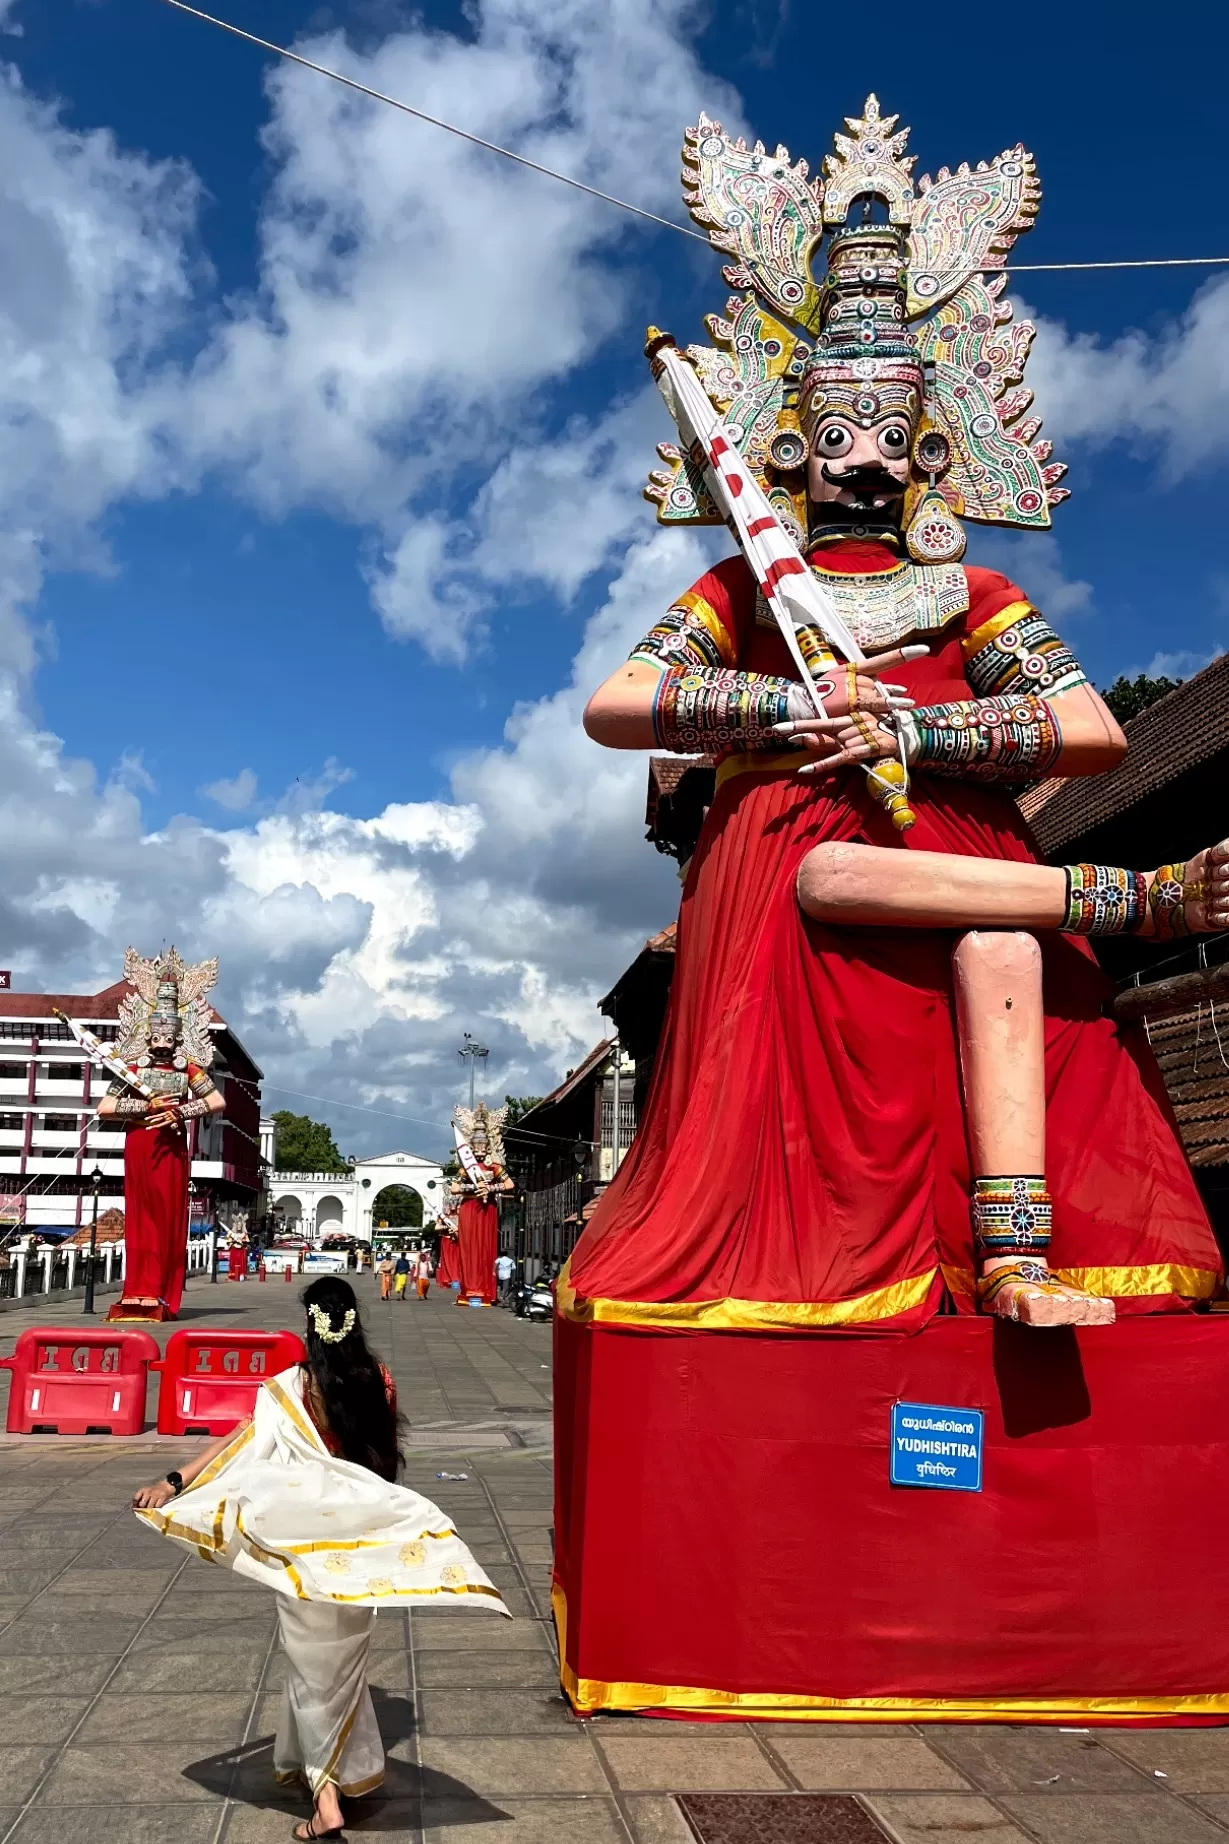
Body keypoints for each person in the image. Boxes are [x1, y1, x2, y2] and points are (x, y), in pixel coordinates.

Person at [571, 96, 1225, 1336]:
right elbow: (620, 705)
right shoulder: (739, 586)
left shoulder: (971, 589)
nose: (862, 459)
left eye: (886, 434)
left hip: (962, 846)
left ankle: (1018, 1259)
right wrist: (784, 702)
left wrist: (919, 731)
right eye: (832, 434)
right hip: (795, 843)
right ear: (790, 452)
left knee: (1002, 954)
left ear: (928, 445)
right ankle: (1130, 895)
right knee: (828, 873)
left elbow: (1089, 729)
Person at [133, 1277, 508, 1839]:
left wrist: (174, 1481)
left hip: (302, 1542)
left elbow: (242, 1442)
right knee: (341, 1666)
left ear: (311, 1324)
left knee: (311, 1668)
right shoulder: (379, 1380)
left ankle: (327, 1799)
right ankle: (323, 1769)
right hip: (360, 1539)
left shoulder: (290, 1385)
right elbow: (383, 1460)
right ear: (354, 1320)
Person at [93, 946, 227, 1321]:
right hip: (140, 1143)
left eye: (169, 1035)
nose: (162, 1040)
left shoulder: (188, 1072)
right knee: (140, 1214)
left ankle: (161, 1292)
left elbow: (216, 1102)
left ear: (179, 1036)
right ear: (147, 1033)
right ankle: (136, 1289)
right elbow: (105, 1108)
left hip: (170, 1146)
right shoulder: (131, 1069)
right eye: (157, 1034)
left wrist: (180, 1112)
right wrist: (147, 1107)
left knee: (168, 1215)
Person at [450, 1104, 514, 1306]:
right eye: (475, 1146)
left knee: (486, 1248)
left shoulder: (494, 1167)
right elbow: (453, 1188)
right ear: (470, 1146)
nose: (479, 1149)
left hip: (488, 1209)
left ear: (489, 1146)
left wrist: (491, 1189)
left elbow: (510, 1184)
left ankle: (486, 1290)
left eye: (483, 1146)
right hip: (469, 1208)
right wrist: (472, 1187)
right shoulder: (464, 1169)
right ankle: (468, 1289)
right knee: (468, 1250)